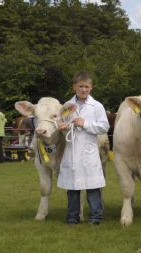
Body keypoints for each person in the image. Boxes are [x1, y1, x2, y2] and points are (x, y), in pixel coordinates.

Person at [57, 71, 109, 225]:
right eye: (80, 86)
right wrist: (62, 126)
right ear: (74, 87)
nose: (83, 89)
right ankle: (72, 217)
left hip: (89, 151)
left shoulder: (97, 106)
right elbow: (61, 121)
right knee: (72, 188)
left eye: (86, 86)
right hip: (72, 150)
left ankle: (96, 217)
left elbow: (104, 127)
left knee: (92, 187)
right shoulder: (67, 106)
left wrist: (85, 123)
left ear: (91, 87)